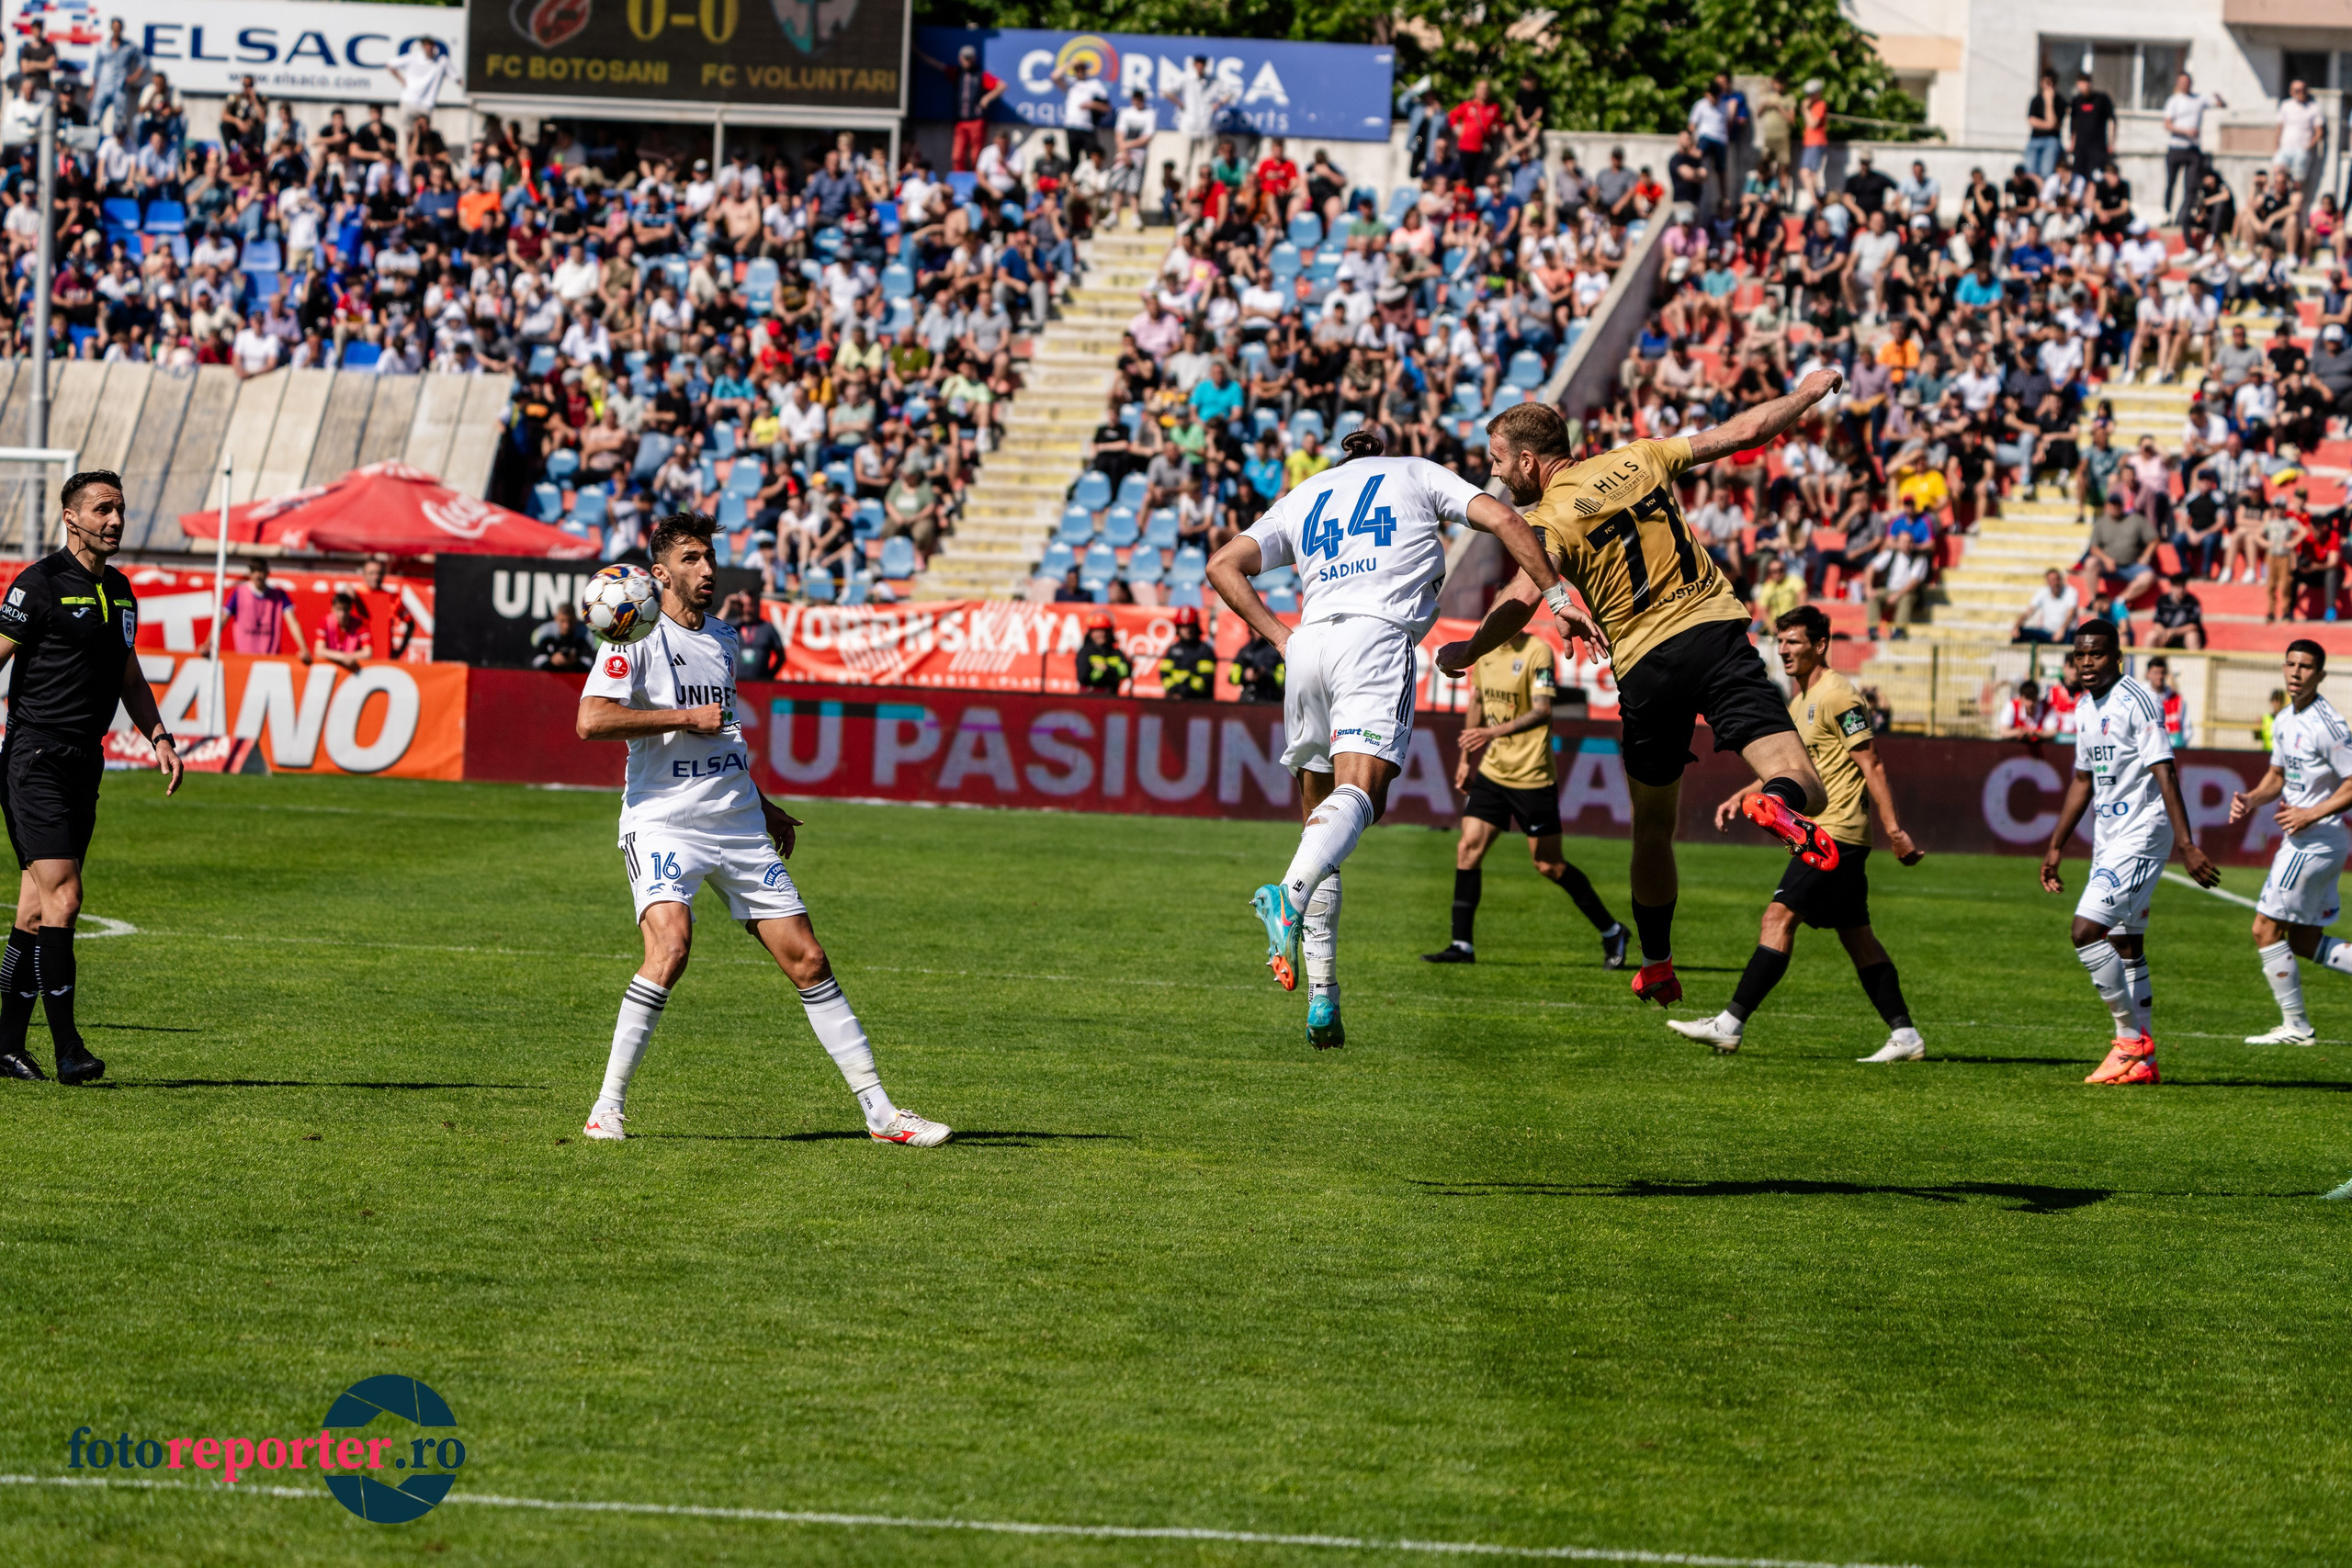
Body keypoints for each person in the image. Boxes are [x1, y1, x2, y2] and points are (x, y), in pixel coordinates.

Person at [1438, 385, 1848, 1010]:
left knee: (1653, 827)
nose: (1493, 473)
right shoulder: (1642, 456)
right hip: (1712, 633)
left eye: (1497, 460)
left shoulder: (1543, 522)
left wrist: (1466, 651)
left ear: (1528, 461)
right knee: (1804, 782)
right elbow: (1741, 433)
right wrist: (1809, 392)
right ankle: (1778, 804)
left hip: (1646, 668)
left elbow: (1519, 601)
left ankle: (1656, 962)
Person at [1205, 428, 1593, 1047]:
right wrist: (1555, 594)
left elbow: (1221, 563)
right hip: (1376, 637)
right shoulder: (1414, 472)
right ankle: (1288, 896)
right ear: (1381, 452)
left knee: (1320, 825)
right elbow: (1505, 519)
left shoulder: (1307, 494)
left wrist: (1281, 639)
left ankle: (1323, 1000)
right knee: (1363, 798)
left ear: (1341, 460)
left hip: (1309, 644)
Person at [574, 513, 948, 1146]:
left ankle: (882, 1115)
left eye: (710, 557)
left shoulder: (723, 638)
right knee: (670, 949)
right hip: (664, 820)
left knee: (809, 959)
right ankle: (606, 1107)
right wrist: (681, 716)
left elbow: (725, 734)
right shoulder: (631, 635)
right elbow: (590, 720)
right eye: (692, 559)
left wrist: (763, 803)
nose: (708, 569)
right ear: (660, 573)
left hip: (738, 819)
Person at [1669, 605, 1926, 1060]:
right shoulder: (1799, 699)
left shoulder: (1838, 696)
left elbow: (1873, 763)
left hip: (1834, 835)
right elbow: (1797, 768)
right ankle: (1905, 1036)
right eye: (1781, 641)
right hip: (1824, 831)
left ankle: (1729, 1024)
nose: (1784, 650)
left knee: (1777, 918)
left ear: (1821, 645)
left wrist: (1895, 830)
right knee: (1858, 936)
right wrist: (1742, 793)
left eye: (1794, 642)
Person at [0, 472, 183, 1085]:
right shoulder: (40, 583)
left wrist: (160, 736)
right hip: (35, 760)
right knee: (66, 897)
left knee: (34, 908)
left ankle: (4, 1045)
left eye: (120, 509)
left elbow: (129, 678)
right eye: (102, 508)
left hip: (85, 761)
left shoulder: (123, 592)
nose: (114, 519)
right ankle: (69, 1048)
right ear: (70, 517)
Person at [2038, 618, 2221, 1086]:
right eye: (2079, 655)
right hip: (2110, 835)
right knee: (2125, 944)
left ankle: (2129, 1040)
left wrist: (2185, 843)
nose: (2086, 663)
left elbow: (2165, 772)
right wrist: (2056, 845)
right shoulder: (2082, 708)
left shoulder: (2139, 700)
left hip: (2144, 832)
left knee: (2084, 931)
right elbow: (2083, 780)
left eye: (2095, 654)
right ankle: (2145, 1064)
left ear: (2117, 655)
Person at [1423, 627, 1629, 970]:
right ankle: (1462, 944)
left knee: (1548, 864)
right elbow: (1477, 701)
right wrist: (1464, 760)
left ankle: (1612, 931)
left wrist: (1490, 733)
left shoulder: (1537, 652)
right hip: (1493, 771)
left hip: (1532, 775)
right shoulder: (1484, 649)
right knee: (1468, 847)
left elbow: (1542, 711)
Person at [2230, 642, 2352, 1044]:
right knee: (2304, 940)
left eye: (2306, 667)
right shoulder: (2284, 719)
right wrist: (2251, 798)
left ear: (2320, 675)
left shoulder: (2329, 726)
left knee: (2264, 930)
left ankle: (2296, 1026)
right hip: (2305, 838)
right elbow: (2277, 778)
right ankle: (2295, 1025)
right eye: (2291, 664)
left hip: (2314, 840)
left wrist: (2309, 813)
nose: (2296, 672)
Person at [223, 559, 309, 659]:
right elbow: (222, 619)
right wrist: (208, 644)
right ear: (250, 574)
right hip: (244, 657)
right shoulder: (239, 593)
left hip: (270, 658)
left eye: (261, 571)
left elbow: (293, 623)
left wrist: (304, 649)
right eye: (254, 571)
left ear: (267, 572)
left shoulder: (279, 595)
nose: (258, 575)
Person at [1158, 604, 1216, 698]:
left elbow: (1206, 678)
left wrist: (1184, 692)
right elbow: (1164, 672)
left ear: (1196, 627)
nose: (1187, 630)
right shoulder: (1173, 649)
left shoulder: (1205, 650)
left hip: (1197, 701)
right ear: (1178, 628)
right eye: (1183, 626)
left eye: (1190, 626)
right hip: (1174, 699)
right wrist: (1173, 690)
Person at [2013, 567, 2081, 644]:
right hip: (2047, 632)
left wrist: (2062, 629)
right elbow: (2029, 611)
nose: (2054, 583)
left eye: (2056, 579)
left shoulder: (2070, 592)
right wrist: (2017, 626)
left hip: (2066, 632)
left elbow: (2070, 614)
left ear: (2061, 580)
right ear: (2047, 582)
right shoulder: (2043, 592)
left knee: (2069, 635)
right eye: (2051, 580)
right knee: (2019, 633)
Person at [315, 590, 374, 671]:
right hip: (329, 670)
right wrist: (343, 657)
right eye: (339, 609)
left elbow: (368, 653)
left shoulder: (360, 625)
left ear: (350, 609)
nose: (342, 614)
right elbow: (319, 651)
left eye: (345, 610)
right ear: (332, 609)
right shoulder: (325, 622)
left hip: (352, 671)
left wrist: (349, 657)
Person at [532, 599, 594, 671]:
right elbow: (535, 660)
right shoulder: (546, 633)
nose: (566, 626)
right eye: (562, 621)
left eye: (570, 621)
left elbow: (592, 662)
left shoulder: (584, 635)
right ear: (556, 618)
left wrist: (575, 661)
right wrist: (551, 661)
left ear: (575, 619)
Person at [1076, 612, 1130, 692]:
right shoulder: (1085, 652)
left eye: (1105, 630)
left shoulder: (1116, 652)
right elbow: (1083, 677)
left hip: (1112, 697)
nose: (1102, 634)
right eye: (1097, 630)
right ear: (1091, 633)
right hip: (1089, 697)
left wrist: (1106, 668)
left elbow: (1126, 671)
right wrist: (1114, 671)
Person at [1229, 631, 1283, 702]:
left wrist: (1265, 674)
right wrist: (1244, 674)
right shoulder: (1244, 650)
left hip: (1270, 699)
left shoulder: (1276, 652)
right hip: (1247, 699)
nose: (1258, 630)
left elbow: (1282, 679)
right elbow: (1232, 677)